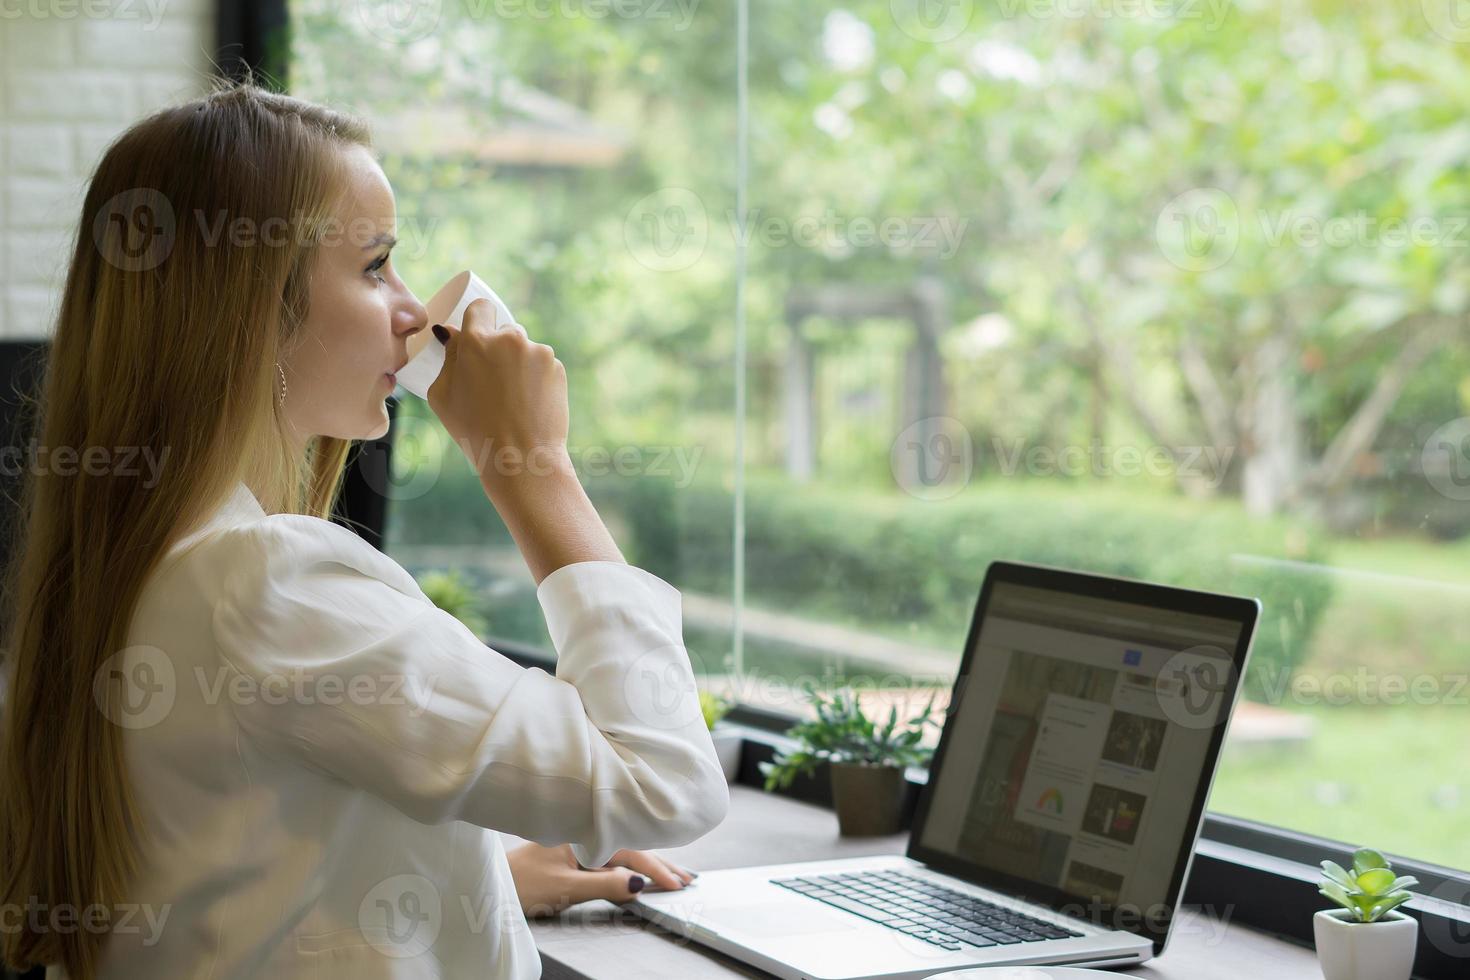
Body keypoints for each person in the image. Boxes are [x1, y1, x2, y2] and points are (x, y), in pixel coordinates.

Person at [0, 76, 728, 980]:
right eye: (375, 265)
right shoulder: (267, 585)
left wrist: (482, 883)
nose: (415, 314)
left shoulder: (142, 563)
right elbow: (663, 781)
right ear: (253, 309)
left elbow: (240, 869)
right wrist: (532, 465)